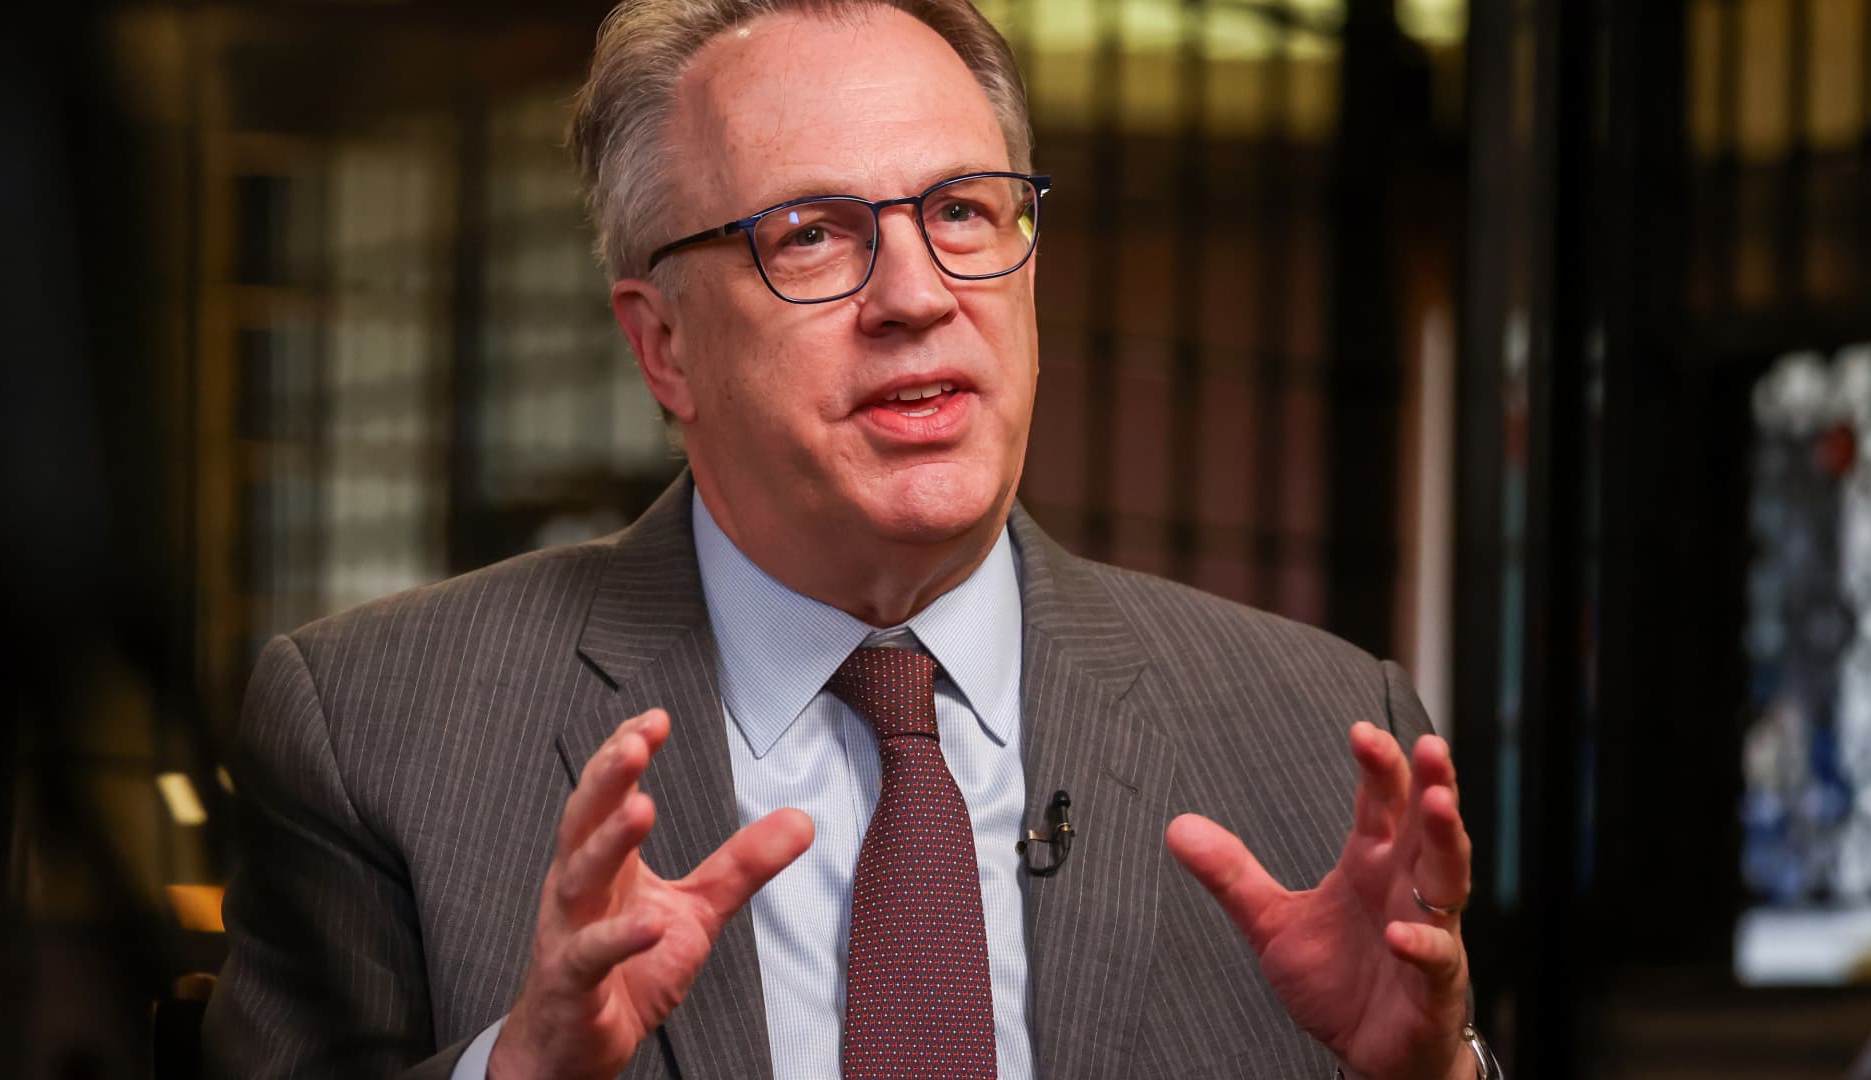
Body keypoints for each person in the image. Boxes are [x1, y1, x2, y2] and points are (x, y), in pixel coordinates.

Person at [201, 1, 1490, 1077]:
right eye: (811, 235)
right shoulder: (373, 727)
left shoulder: (1324, 734)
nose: (918, 296)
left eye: (965, 211)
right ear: (663, 344)